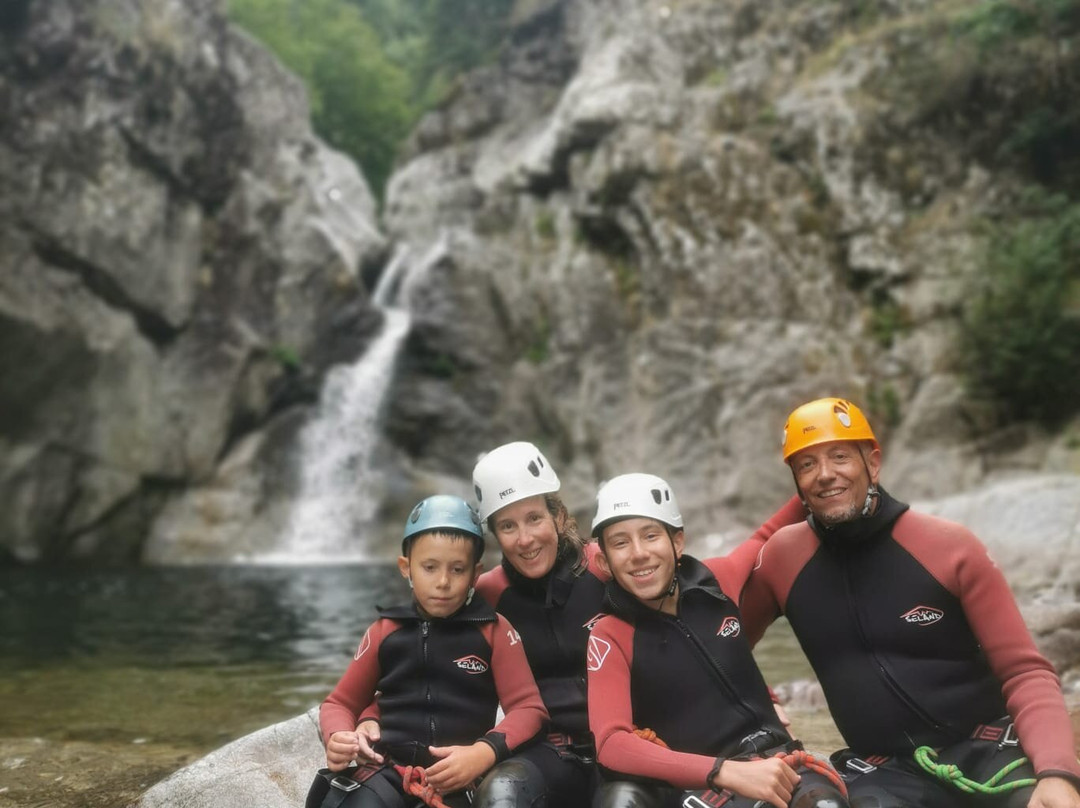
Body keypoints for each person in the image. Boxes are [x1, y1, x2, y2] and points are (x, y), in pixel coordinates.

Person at [740, 397, 1080, 808]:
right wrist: (765, 703)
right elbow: (719, 646)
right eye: (807, 465)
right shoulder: (783, 558)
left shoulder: (947, 547)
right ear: (796, 481)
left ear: (873, 463)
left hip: (989, 753)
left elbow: (1025, 672)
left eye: (840, 456)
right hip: (884, 772)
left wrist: (1057, 771)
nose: (825, 474)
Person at [469, 442, 807, 808]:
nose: (525, 539)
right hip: (552, 752)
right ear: (494, 534)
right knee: (502, 794)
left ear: (558, 515)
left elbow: (695, 621)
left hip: (636, 741)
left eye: (534, 518)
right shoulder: (490, 592)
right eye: (507, 526)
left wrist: (759, 696)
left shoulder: (610, 565)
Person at [586, 472, 849, 808]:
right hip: (705, 786)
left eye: (650, 535)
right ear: (605, 560)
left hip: (781, 764)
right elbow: (611, 744)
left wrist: (826, 474)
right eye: (620, 542)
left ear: (677, 542)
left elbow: (768, 534)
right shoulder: (610, 634)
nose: (638, 554)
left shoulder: (717, 581)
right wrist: (723, 771)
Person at [308, 495, 549, 808]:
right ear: (406, 568)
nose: (443, 582)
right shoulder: (385, 631)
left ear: (476, 574)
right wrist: (338, 735)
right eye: (430, 568)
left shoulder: (494, 630)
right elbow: (340, 702)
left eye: (457, 569)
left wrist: (482, 753)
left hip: (461, 777)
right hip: (390, 771)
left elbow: (529, 709)